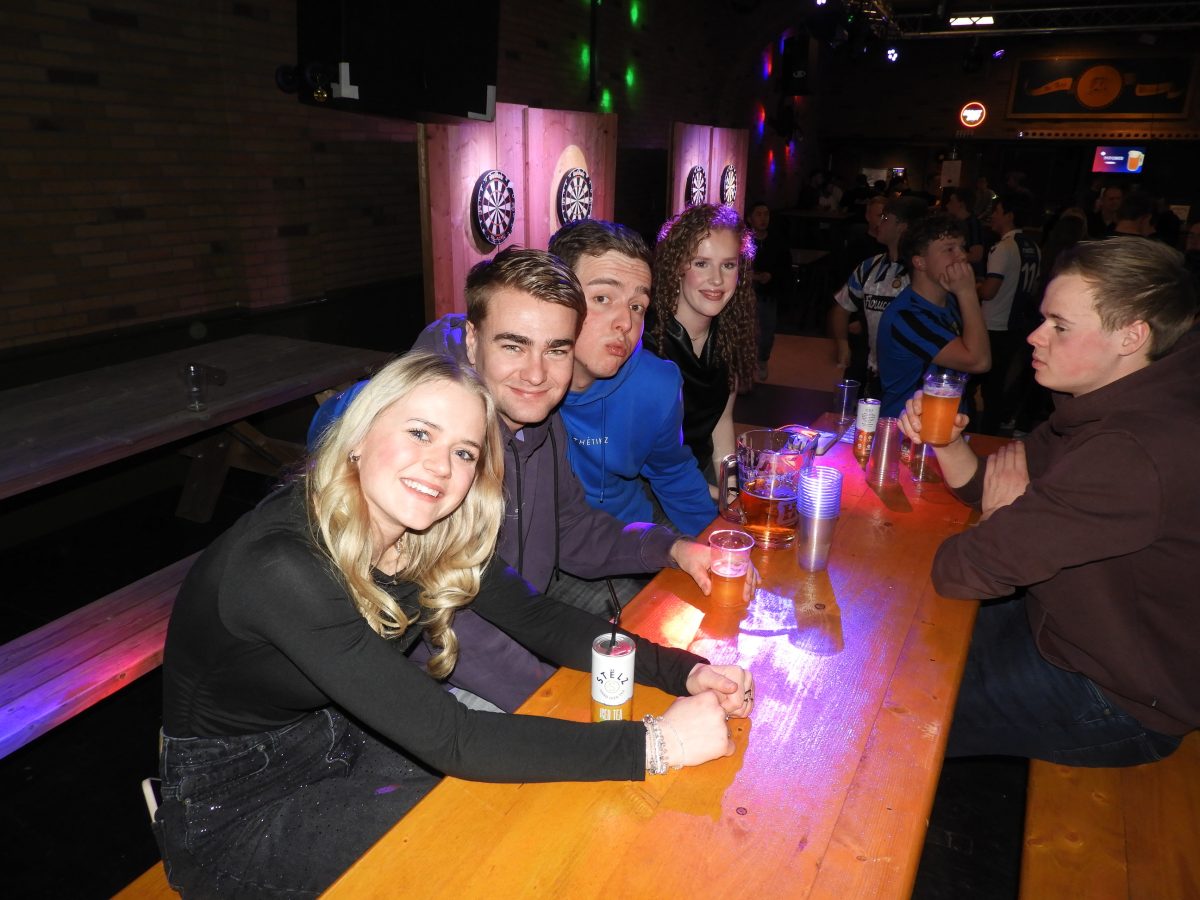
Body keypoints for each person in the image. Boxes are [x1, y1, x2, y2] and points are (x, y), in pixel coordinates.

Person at [155, 351, 754, 897]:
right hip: (239, 801)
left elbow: (537, 617)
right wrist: (659, 743)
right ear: (359, 435)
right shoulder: (283, 565)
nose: (440, 467)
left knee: (543, 813)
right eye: (420, 432)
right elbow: (456, 739)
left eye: (465, 452)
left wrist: (683, 672)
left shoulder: (426, 532)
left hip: (345, 736)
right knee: (491, 857)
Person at [897, 238, 1200, 766]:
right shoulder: (1118, 396)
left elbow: (964, 570)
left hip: (1117, 694)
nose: (1035, 336)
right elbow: (992, 484)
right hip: (1061, 625)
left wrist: (1002, 516)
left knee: (894, 710)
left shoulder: (1131, 449)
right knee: (894, 637)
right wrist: (946, 442)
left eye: (1060, 326)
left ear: (1131, 336)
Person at [549, 218, 717, 537]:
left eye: (637, 306)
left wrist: (714, 543)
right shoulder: (517, 379)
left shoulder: (656, 385)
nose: (626, 322)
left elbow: (672, 472)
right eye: (602, 298)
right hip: (544, 543)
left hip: (628, 532)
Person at [644, 204, 756, 486]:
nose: (717, 279)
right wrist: (718, 498)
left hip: (700, 472)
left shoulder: (728, 334)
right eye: (701, 263)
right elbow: (649, 459)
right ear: (677, 266)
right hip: (652, 484)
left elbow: (722, 423)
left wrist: (731, 490)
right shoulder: (646, 340)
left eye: (728, 265)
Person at [875, 213, 991, 417]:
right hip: (908, 427)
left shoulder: (952, 302)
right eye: (949, 249)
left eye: (962, 247)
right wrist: (968, 293)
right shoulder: (906, 316)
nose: (962, 256)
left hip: (945, 422)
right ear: (920, 262)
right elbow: (978, 361)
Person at [829, 196, 927, 397]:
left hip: (913, 377)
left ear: (901, 227)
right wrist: (842, 344)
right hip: (874, 370)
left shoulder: (923, 271)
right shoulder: (869, 267)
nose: (878, 224)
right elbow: (841, 307)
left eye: (885, 219)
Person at [978, 190, 1042, 434]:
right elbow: (1033, 287)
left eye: (997, 211)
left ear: (1009, 215)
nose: (993, 216)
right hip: (1016, 324)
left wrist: (972, 286)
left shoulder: (1003, 247)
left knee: (984, 386)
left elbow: (989, 291)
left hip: (993, 325)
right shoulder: (1033, 247)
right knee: (998, 383)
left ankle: (982, 434)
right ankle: (993, 431)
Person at [745, 201, 793, 382]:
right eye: (758, 214)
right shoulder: (743, 241)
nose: (763, 218)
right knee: (746, 333)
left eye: (766, 214)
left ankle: (762, 360)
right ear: (750, 218)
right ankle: (745, 368)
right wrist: (752, 276)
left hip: (768, 295)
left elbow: (785, 267)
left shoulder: (777, 241)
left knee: (766, 334)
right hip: (747, 294)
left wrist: (771, 276)